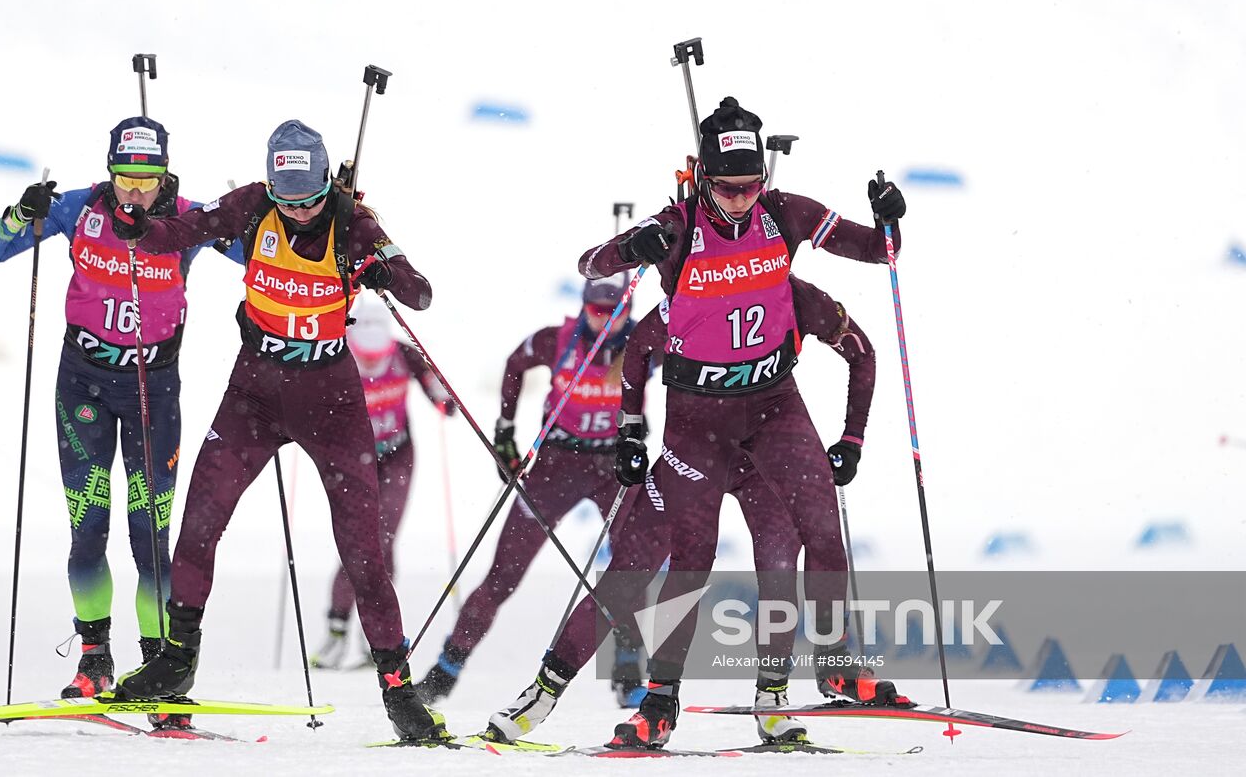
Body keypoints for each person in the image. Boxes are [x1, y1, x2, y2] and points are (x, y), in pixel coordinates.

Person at [573, 96, 909, 749]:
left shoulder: (784, 213)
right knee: (691, 560)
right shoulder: (675, 226)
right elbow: (592, 264)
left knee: (824, 530)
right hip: (696, 416)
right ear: (704, 178)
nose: (739, 198)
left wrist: (890, 222)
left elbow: (881, 252)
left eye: (751, 185)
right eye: (727, 187)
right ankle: (659, 700)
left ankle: (837, 665)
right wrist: (630, 247)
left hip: (773, 401)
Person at [109, 119, 447, 741]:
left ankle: (399, 691)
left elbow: (419, 293)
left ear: (326, 185)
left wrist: (381, 269)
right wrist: (140, 227)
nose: (296, 213)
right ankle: (176, 662)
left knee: (364, 551)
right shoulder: (253, 205)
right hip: (255, 392)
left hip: (332, 400)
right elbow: (182, 231)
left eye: (309, 200)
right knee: (200, 520)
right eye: (286, 200)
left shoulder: (354, 222)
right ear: (271, 185)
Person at [483, 275, 877, 747]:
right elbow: (636, 350)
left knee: (777, 568)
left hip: (764, 459)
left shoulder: (790, 292)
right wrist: (630, 428)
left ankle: (774, 700)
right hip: (693, 456)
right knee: (632, 574)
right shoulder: (691, 295)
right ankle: (552, 694)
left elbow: (862, 351)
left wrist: (852, 439)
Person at [0, 117, 240, 731]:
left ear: (165, 174)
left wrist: (262, 219)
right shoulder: (78, 210)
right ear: (109, 170)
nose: (135, 193)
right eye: (124, 178)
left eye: (147, 180)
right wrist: (21, 213)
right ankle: (95, 659)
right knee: (87, 528)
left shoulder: (187, 220)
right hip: (83, 384)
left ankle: (159, 671)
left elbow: (263, 259)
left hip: (153, 388)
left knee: (151, 538)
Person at [415, 274, 650, 708]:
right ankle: (447, 668)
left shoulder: (643, 342)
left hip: (612, 467)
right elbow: (513, 365)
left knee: (632, 569)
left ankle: (628, 666)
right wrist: (505, 432)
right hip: (556, 465)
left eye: (614, 313)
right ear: (583, 307)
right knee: (503, 576)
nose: (605, 321)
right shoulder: (555, 341)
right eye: (597, 311)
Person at [308, 297, 454, 670]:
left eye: (379, 353)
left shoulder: (404, 355)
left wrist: (443, 397)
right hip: (352, 460)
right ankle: (338, 630)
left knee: (381, 537)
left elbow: (440, 396)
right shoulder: (334, 357)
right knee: (358, 540)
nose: (373, 361)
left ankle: (371, 635)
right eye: (365, 353)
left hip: (397, 455)